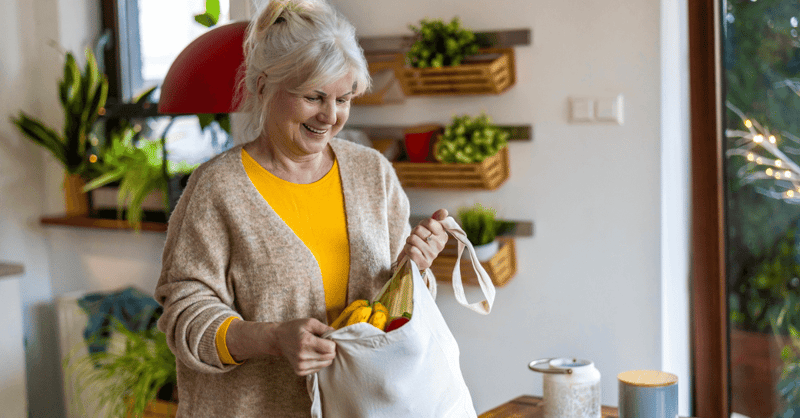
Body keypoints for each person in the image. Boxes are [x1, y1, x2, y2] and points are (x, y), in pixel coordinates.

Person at [154, 0, 449, 416]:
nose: (331, 116)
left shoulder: (372, 173)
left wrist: (413, 269)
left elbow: (396, 313)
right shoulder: (218, 188)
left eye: (344, 99)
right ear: (262, 87)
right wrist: (271, 338)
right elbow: (184, 317)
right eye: (314, 97)